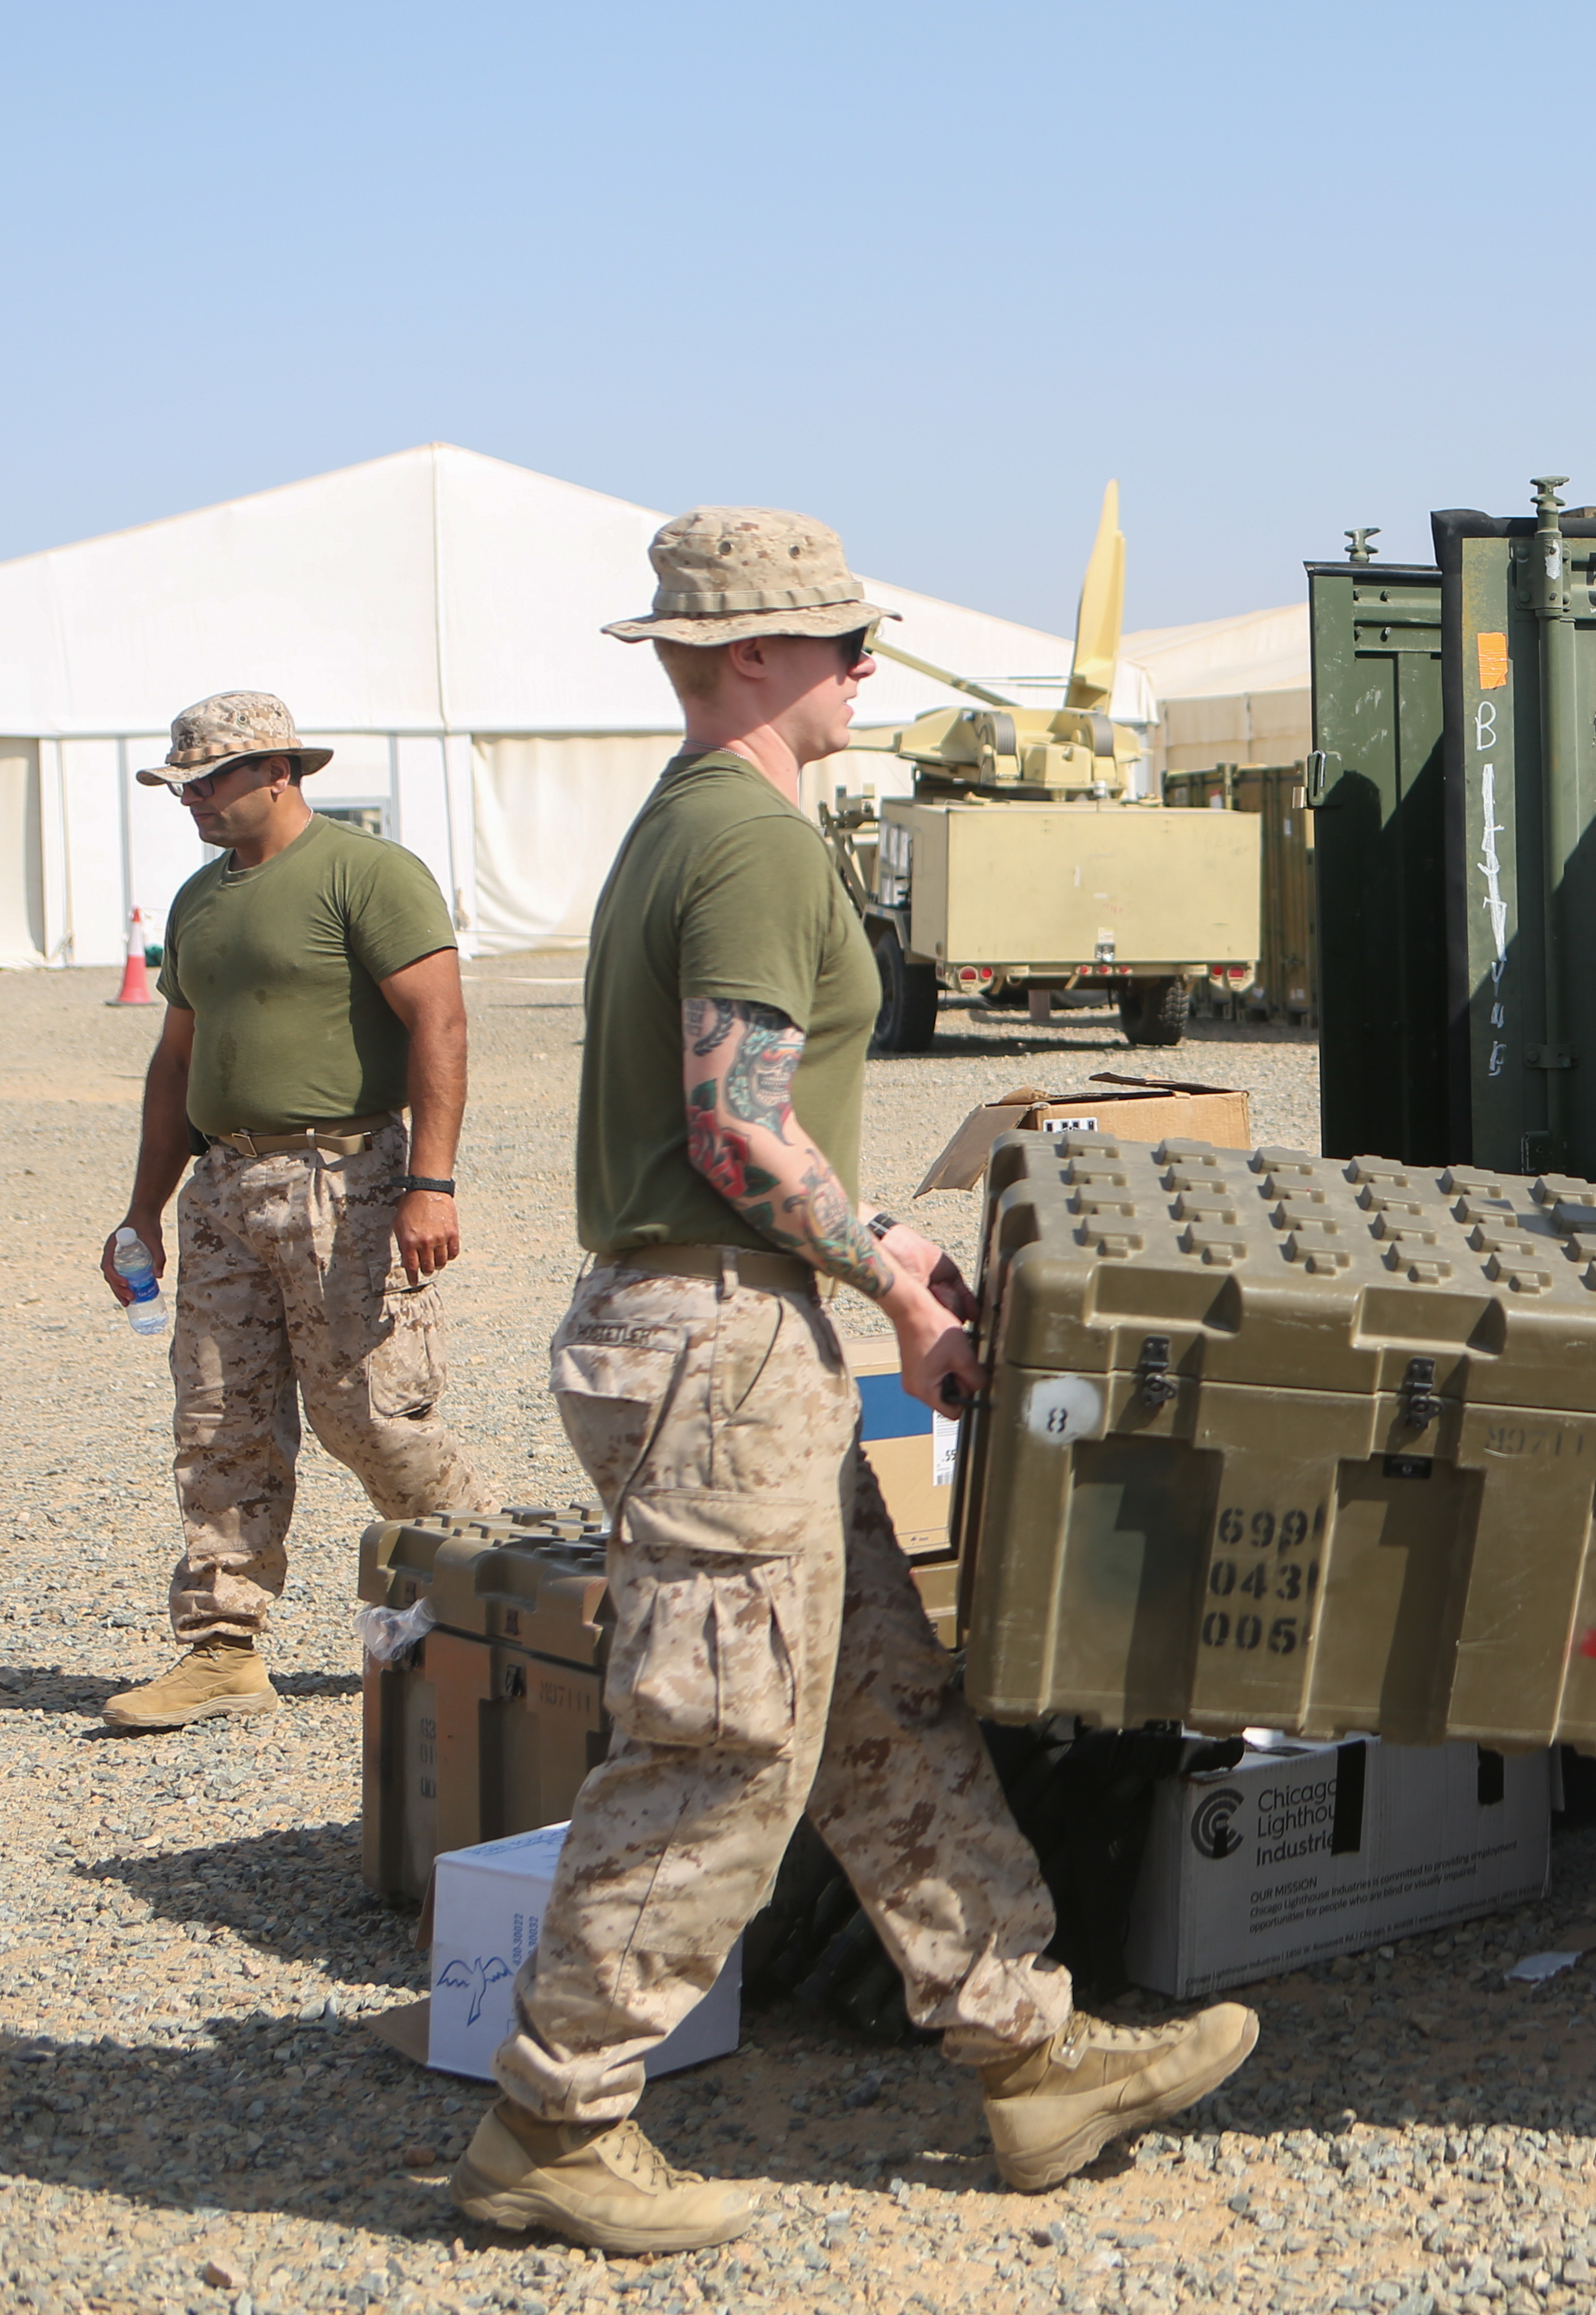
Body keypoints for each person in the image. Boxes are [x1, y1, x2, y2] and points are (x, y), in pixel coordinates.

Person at [448, 508, 1255, 2256]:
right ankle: (552, 2122)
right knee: (723, 1746)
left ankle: (1025, 2057)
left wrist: (882, 1266)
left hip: (741, 1331)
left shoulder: (713, 826)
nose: (867, 671)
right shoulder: (743, 840)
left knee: (880, 1705)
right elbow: (734, 1127)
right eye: (841, 645)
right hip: (717, 1349)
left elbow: (758, 1134)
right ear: (752, 658)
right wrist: (892, 1275)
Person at [101, 692, 484, 1732]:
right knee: (221, 1418)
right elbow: (177, 1059)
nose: (193, 800)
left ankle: (488, 1596)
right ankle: (222, 1649)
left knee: (369, 1412)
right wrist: (145, 1209)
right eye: (182, 784)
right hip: (223, 1187)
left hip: (343, 1180)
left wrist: (430, 1183)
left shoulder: (367, 875)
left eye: (211, 779)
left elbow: (438, 1023)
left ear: (279, 771)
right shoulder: (200, 899)